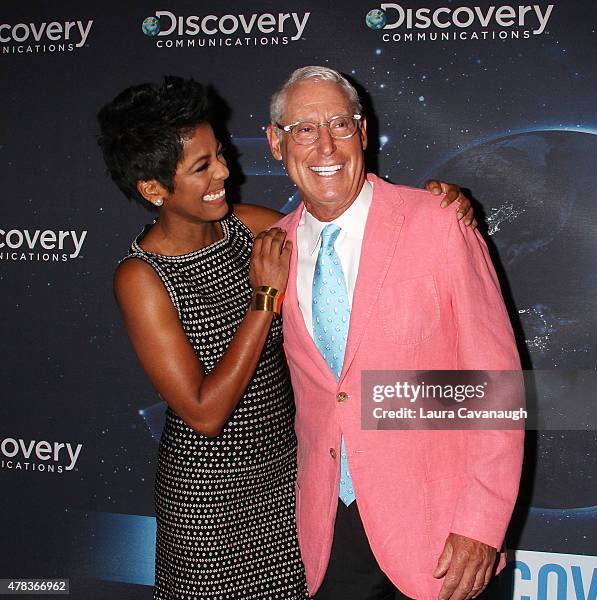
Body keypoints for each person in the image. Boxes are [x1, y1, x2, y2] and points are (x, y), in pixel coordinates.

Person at [97, 75, 472, 600]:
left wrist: (438, 207)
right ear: (154, 189)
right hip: (210, 503)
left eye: (220, 153)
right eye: (201, 166)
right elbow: (203, 412)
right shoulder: (142, 277)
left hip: (290, 486)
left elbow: (340, 226)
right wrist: (264, 302)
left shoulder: (252, 228)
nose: (226, 171)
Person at [266, 66, 524, 600]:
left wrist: (481, 524)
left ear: (363, 132)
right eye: (303, 129)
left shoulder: (439, 220)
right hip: (329, 536)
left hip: (444, 539)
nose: (325, 144)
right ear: (276, 143)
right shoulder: (272, 247)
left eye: (340, 123)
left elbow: (496, 384)